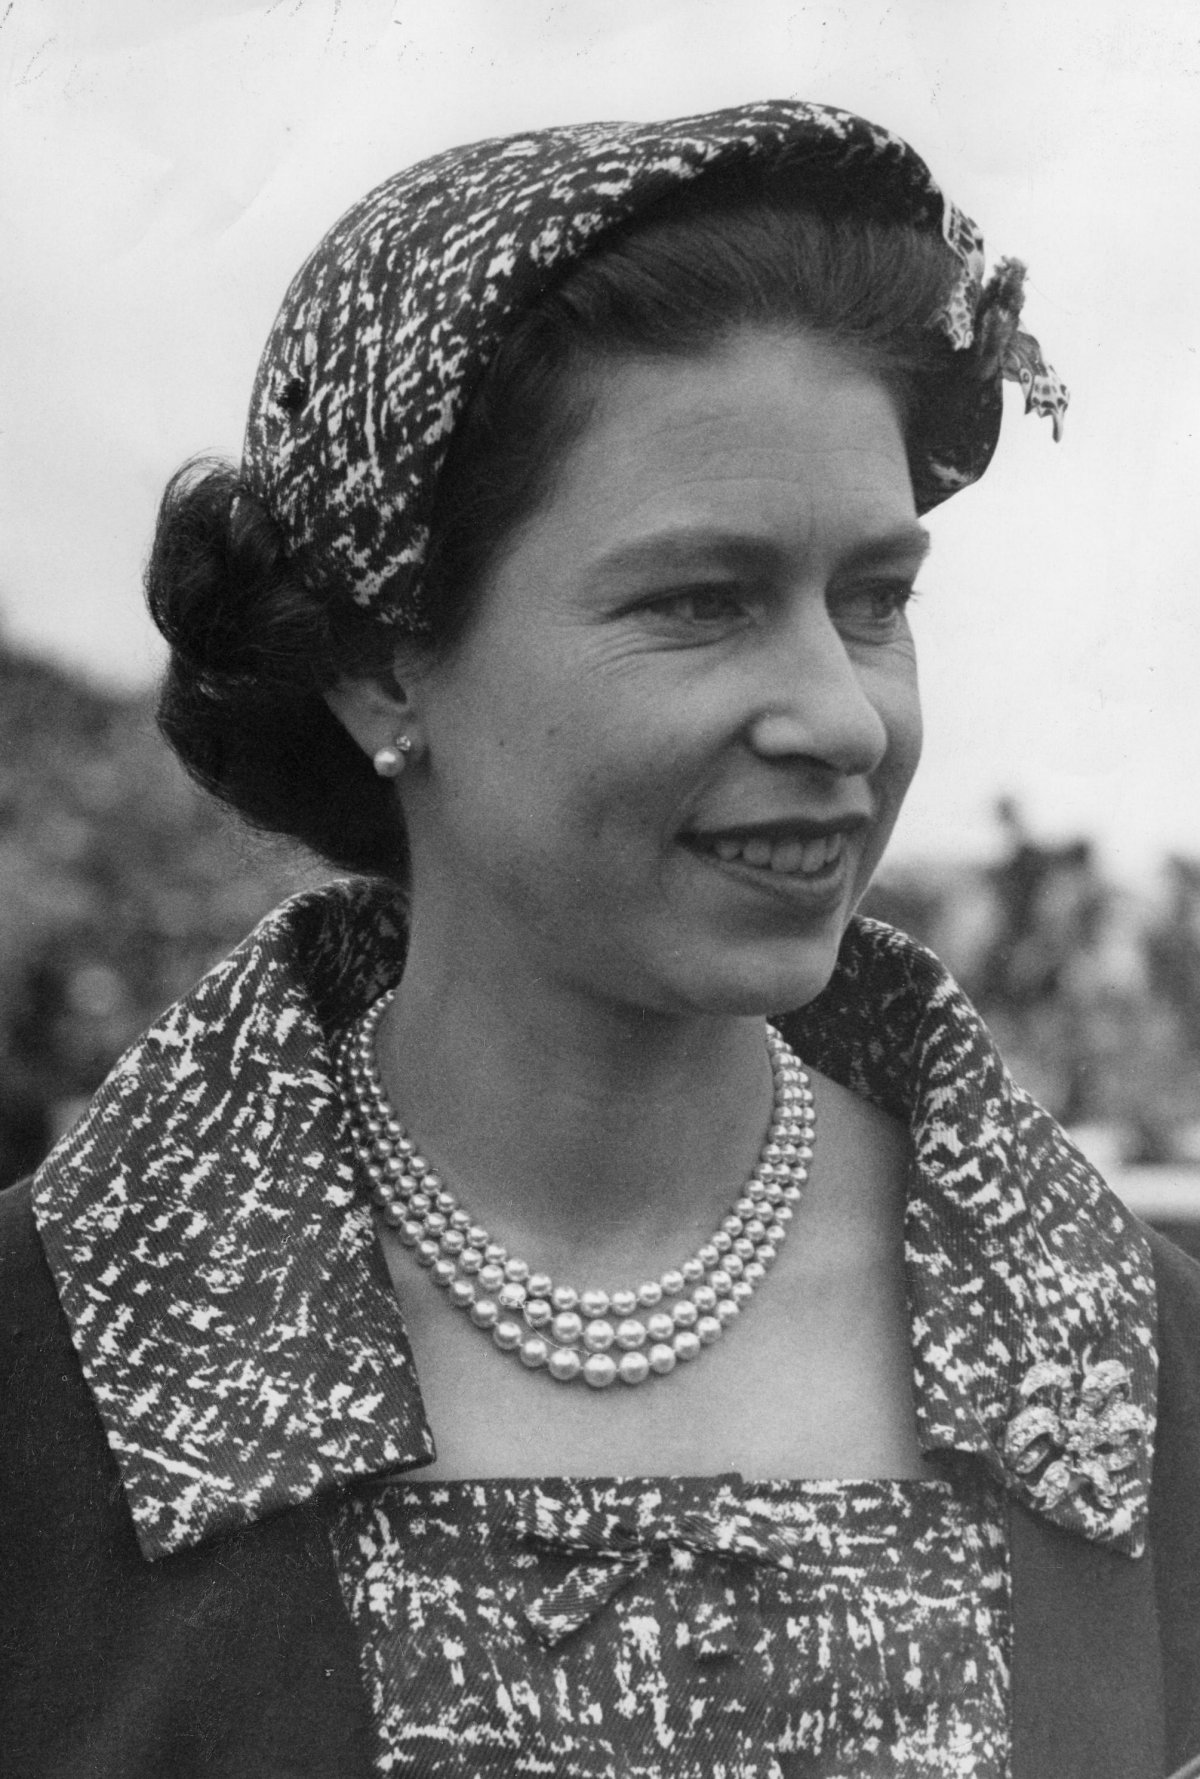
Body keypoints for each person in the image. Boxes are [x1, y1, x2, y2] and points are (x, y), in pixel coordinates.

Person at [1, 99, 1197, 1778]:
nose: (843, 717)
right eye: (700, 602)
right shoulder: (46, 1381)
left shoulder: (1131, 1369)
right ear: (381, 667)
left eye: (875, 598)